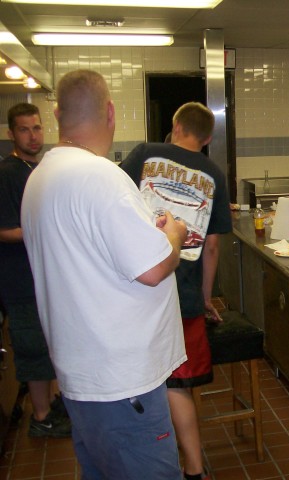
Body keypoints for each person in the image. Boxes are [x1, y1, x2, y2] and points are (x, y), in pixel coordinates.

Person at [21, 69, 188, 479]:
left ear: (58, 114)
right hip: (123, 384)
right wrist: (175, 235)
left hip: (83, 376)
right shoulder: (99, 176)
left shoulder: (40, 177)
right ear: (110, 112)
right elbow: (152, 269)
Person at [120, 101, 232, 480]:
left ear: (175, 124)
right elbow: (212, 247)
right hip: (181, 298)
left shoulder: (145, 155)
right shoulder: (215, 174)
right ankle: (194, 469)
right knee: (178, 384)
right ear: (208, 137)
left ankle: (138, 460)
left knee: (135, 379)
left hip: (134, 289)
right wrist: (203, 298)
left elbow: (114, 209)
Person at [0, 103, 71, 438]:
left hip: (43, 279)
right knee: (32, 349)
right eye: (25, 129)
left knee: (47, 346)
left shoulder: (36, 169)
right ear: (12, 133)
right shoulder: (8, 174)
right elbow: (4, 229)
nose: (33, 135)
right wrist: (48, 230)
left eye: (37, 128)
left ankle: (51, 404)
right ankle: (41, 417)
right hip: (20, 281)